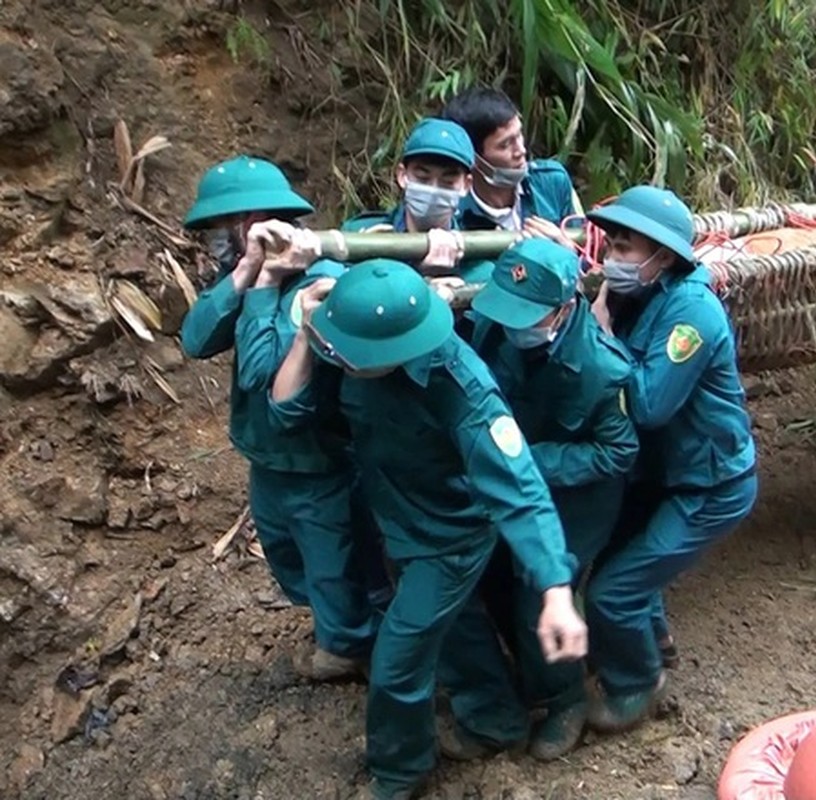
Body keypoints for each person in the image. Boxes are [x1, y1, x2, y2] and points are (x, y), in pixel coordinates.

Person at [268, 260, 587, 800]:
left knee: (397, 662)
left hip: (450, 539)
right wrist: (305, 332)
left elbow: (522, 489)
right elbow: (285, 412)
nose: (339, 363)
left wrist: (556, 591)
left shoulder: (461, 389)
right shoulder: (345, 341)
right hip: (397, 519)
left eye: (349, 359)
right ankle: (495, 722)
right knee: (456, 633)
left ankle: (399, 774)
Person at [438, 239, 638, 762]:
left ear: (565, 308)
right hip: (509, 484)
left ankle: (565, 697)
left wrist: (527, 461)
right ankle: (526, 674)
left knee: (540, 591)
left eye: (529, 314)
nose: (513, 324)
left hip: (577, 499)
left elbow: (616, 453)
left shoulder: (602, 369)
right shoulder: (492, 326)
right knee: (497, 576)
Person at [180, 156, 379, 680]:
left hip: (317, 462)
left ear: (254, 221)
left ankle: (347, 648)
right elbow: (197, 338)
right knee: (287, 554)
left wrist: (266, 284)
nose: (216, 242)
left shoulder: (317, 283)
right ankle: (340, 626)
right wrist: (246, 274)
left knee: (330, 560)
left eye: (223, 230)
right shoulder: (245, 277)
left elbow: (263, 374)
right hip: (267, 458)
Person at [582, 186, 758, 732]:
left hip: (710, 485)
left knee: (612, 591)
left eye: (626, 247)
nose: (613, 258)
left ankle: (637, 684)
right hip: (668, 472)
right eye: (611, 244)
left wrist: (602, 338)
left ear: (664, 256)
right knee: (618, 555)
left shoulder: (691, 314)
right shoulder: (646, 295)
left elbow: (650, 403)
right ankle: (653, 639)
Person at [342, 117, 497, 285]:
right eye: (423, 178)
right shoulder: (360, 235)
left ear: (466, 185)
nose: (433, 190)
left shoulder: (479, 253)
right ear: (402, 176)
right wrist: (419, 276)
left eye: (447, 182)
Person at [442, 86, 582, 240]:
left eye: (519, 135)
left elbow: (588, 253)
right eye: (505, 145)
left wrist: (566, 249)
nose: (521, 150)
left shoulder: (550, 182)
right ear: (473, 158)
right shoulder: (451, 209)